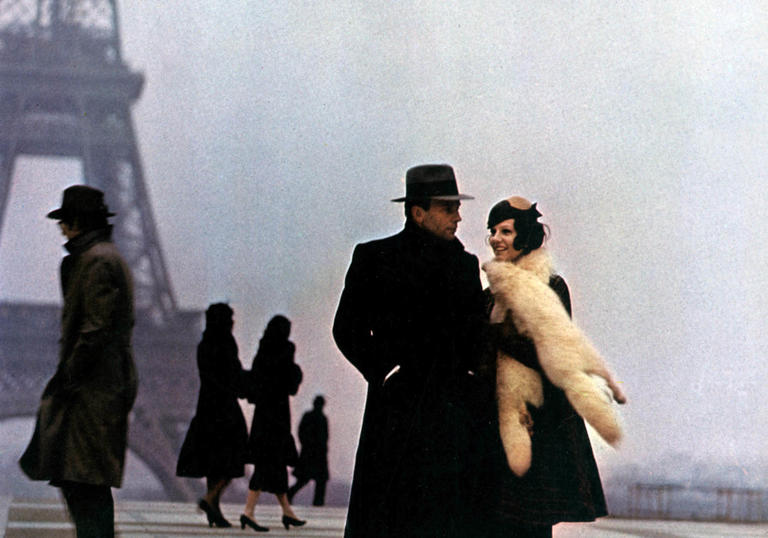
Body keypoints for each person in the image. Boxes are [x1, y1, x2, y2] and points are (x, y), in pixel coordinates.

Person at [332, 164, 487, 537]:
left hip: (451, 412)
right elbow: (346, 328)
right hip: (396, 411)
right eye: (448, 207)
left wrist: (469, 377)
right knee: (390, 515)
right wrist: (383, 371)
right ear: (418, 212)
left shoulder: (465, 265)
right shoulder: (374, 258)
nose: (458, 216)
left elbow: (474, 337)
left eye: (457, 206)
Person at [480, 196, 627, 537]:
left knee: (531, 524)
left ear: (525, 236)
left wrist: (495, 334)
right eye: (492, 231)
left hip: (539, 425)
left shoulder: (551, 287)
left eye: (505, 230)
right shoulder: (491, 293)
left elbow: (551, 352)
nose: (495, 239)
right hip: (497, 423)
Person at [19, 185, 138, 538]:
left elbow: (95, 329)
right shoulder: (99, 256)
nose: (60, 228)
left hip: (92, 388)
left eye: (64, 221)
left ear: (76, 223)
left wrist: (70, 375)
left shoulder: (97, 260)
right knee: (81, 478)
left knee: (82, 480)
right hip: (96, 385)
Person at [176, 303, 248, 528]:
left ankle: (214, 510)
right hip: (225, 407)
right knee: (234, 456)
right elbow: (233, 373)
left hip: (207, 407)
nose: (233, 321)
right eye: (230, 317)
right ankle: (210, 499)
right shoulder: (227, 342)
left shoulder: (203, 344)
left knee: (213, 461)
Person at [240, 315, 305, 533]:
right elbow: (290, 384)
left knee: (272, 464)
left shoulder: (262, 352)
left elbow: (256, 382)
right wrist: (295, 372)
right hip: (278, 414)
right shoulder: (286, 350)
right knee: (271, 462)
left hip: (263, 415)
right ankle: (249, 512)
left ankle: (286, 512)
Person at [288, 394, 330, 506]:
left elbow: (324, 437)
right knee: (307, 479)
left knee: (312, 480)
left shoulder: (318, 418)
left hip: (314, 453)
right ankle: (317, 502)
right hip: (312, 453)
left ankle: (317, 502)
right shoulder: (316, 418)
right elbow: (302, 433)